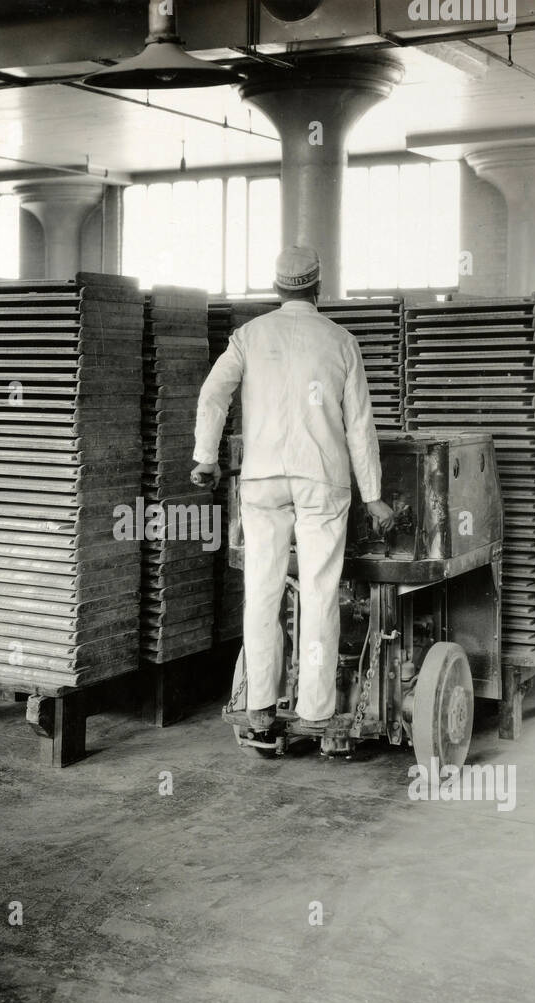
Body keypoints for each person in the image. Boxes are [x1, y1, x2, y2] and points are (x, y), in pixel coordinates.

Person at [191, 246, 393, 734]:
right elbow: (360, 427)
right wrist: (373, 495)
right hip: (321, 477)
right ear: (318, 286)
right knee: (320, 591)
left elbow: (213, 393)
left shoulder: (248, 336)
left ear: (277, 288)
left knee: (261, 589)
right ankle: (316, 711)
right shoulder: (341, 341)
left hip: (261, 478)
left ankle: (260, 706)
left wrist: (206, 456)